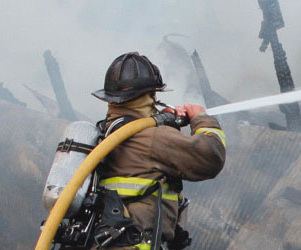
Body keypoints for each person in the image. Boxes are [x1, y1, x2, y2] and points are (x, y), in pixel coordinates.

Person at [92, 52, 226, 249]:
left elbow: (147, 163)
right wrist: (201, 119)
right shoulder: (153, 137)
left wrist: (166, 125)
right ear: (150, 95)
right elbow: (210, 157)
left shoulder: (105, 131)